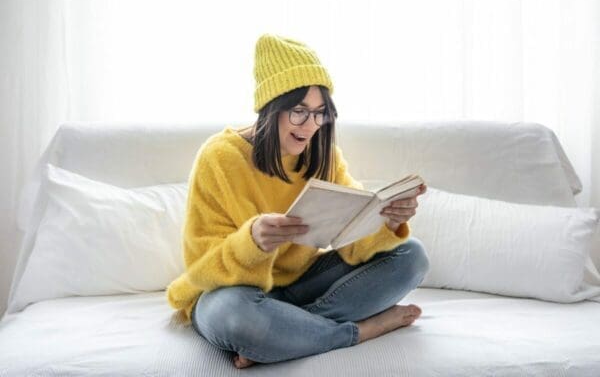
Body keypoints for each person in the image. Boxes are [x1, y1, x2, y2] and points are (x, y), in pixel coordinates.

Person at [166, 33, 430, 369]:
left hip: (302, 285)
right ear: (271, 107)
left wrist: (387, 221)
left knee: (412, 256)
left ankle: (283, 335)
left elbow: (351, 241)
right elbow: (203, 268)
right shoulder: (219, 158)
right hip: (234, 293)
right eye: (299, 112)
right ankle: (358, 332)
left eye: (320, 113)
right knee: (233, 317)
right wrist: (252, 243)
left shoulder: (324, 156)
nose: (310, 126)